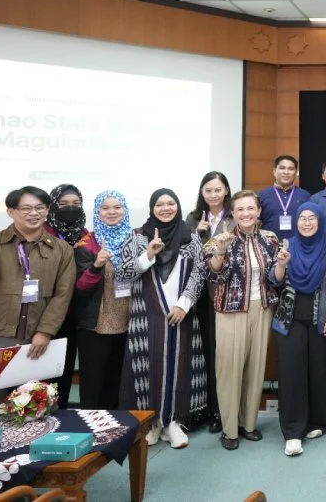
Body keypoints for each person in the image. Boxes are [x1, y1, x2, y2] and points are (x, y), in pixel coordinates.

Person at [0, 187, 75, 408]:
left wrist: (45, 332)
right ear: (11, 212)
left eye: (40, 207)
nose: (34, 213)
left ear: (48, 210)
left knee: (31, 406)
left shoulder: (61, 249)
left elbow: (62, 295)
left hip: (34, 340)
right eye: (26, 208)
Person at [117, 188, 207, 449]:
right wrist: (148, 255)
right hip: (146, 316)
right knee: (150, 366)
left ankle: (173, 422)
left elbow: (199, 272)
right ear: (152, 208)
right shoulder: (137, 237)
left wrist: (184, 304)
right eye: (159, 204)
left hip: (181, 313)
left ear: (178, 206)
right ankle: (152, 423)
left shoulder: (190, 236)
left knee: (179, 367)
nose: (166, 208)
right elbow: (123, 274)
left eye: (170, 203)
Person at [206, 190, 287, 451]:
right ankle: (229, 429)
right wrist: (220, 253)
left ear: (259, 211)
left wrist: (281, 266)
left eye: (250, 208)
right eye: (240, 209)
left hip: (261, 309)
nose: (246, 213)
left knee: (255, 368)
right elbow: (215, 276)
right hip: (230, 311)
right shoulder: (221, 239)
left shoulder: (270, 239)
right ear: (233, 213)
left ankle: (248, 424)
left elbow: (275, 280)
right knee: (229, 370)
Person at [271, 202, 326, 457]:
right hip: (289, 321)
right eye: (302, 218)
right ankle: (292, 432)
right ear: (296, 221)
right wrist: (281, 265)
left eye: (312, 218)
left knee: (318, 371)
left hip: (320, 320)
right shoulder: (286, 245)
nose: (307, 222)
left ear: (320, 221)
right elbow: (273, 280)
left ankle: (316, 422)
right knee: (291, 375)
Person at [185, 170, 235, 434]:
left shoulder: (235, 216)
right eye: (208, 190)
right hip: (201, 296)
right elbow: (186, 254)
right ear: (202, 193)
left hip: (228, 293)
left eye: (218, 189)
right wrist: (196, 233)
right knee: (206, 353)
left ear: (226, 190)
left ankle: (223, 410)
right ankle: (208, 409)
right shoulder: (193, 219)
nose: (213, 195)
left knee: (224, 354)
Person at [74, 190, 132, 410]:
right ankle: (91, 424)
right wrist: (97, 265)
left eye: (117, 207)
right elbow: (80, 288)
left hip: (127, 322)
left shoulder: (134, 240)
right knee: (93, 382)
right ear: (97, 212)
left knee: (118, 380)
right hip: (95, 325)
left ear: (125, 210)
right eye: (105, 208)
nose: (112, 212)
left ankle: (116, 423)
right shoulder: (86, 244)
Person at [46, 184, 87, 410]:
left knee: (66, 368)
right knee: (46, 372)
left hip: (78, 312)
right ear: (53, 206)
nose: (71, 208)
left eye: (76, 204)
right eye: (63, 204)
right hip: (50, 313)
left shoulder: (85, 234)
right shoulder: (44, 233)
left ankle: (60, 413)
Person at [258, 154, 311, 243]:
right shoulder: (261, 196)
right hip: (268, 246)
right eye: (282, 168)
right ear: (274, 171)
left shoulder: (305, 196)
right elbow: (255, 224)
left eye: (291, 169)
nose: (286, 172)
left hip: (298, 246)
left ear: (296, 172)